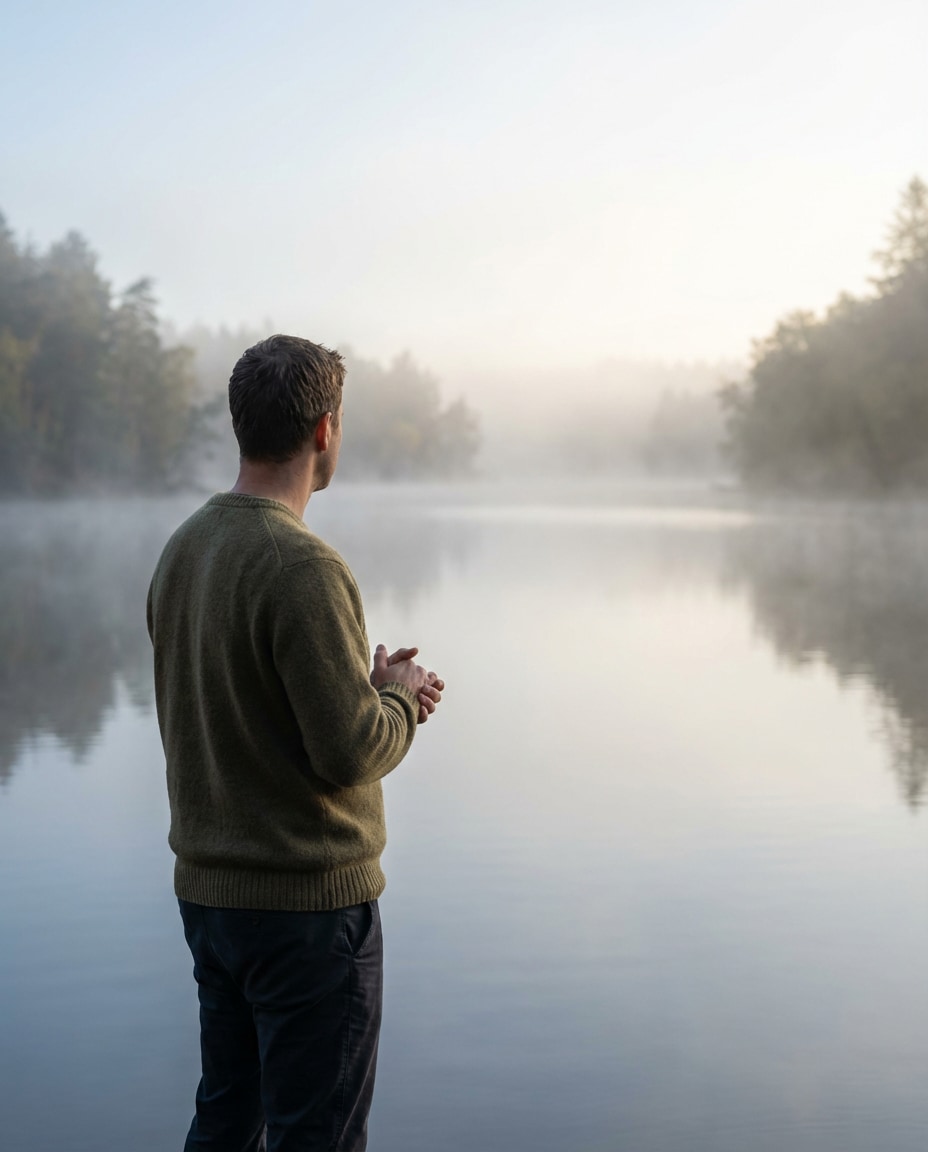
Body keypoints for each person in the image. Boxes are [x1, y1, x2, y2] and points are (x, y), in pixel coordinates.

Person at [147, 334, 443, 1152]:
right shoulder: (303, 566)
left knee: (226, 1122)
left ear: (243, 425)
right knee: (318, 1137)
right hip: (308, 914)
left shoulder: (185, 550)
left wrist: (365, 683)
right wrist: (401, 700)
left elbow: (250, 707)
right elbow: (349, 752)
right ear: (324, 431)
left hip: (212, 899)